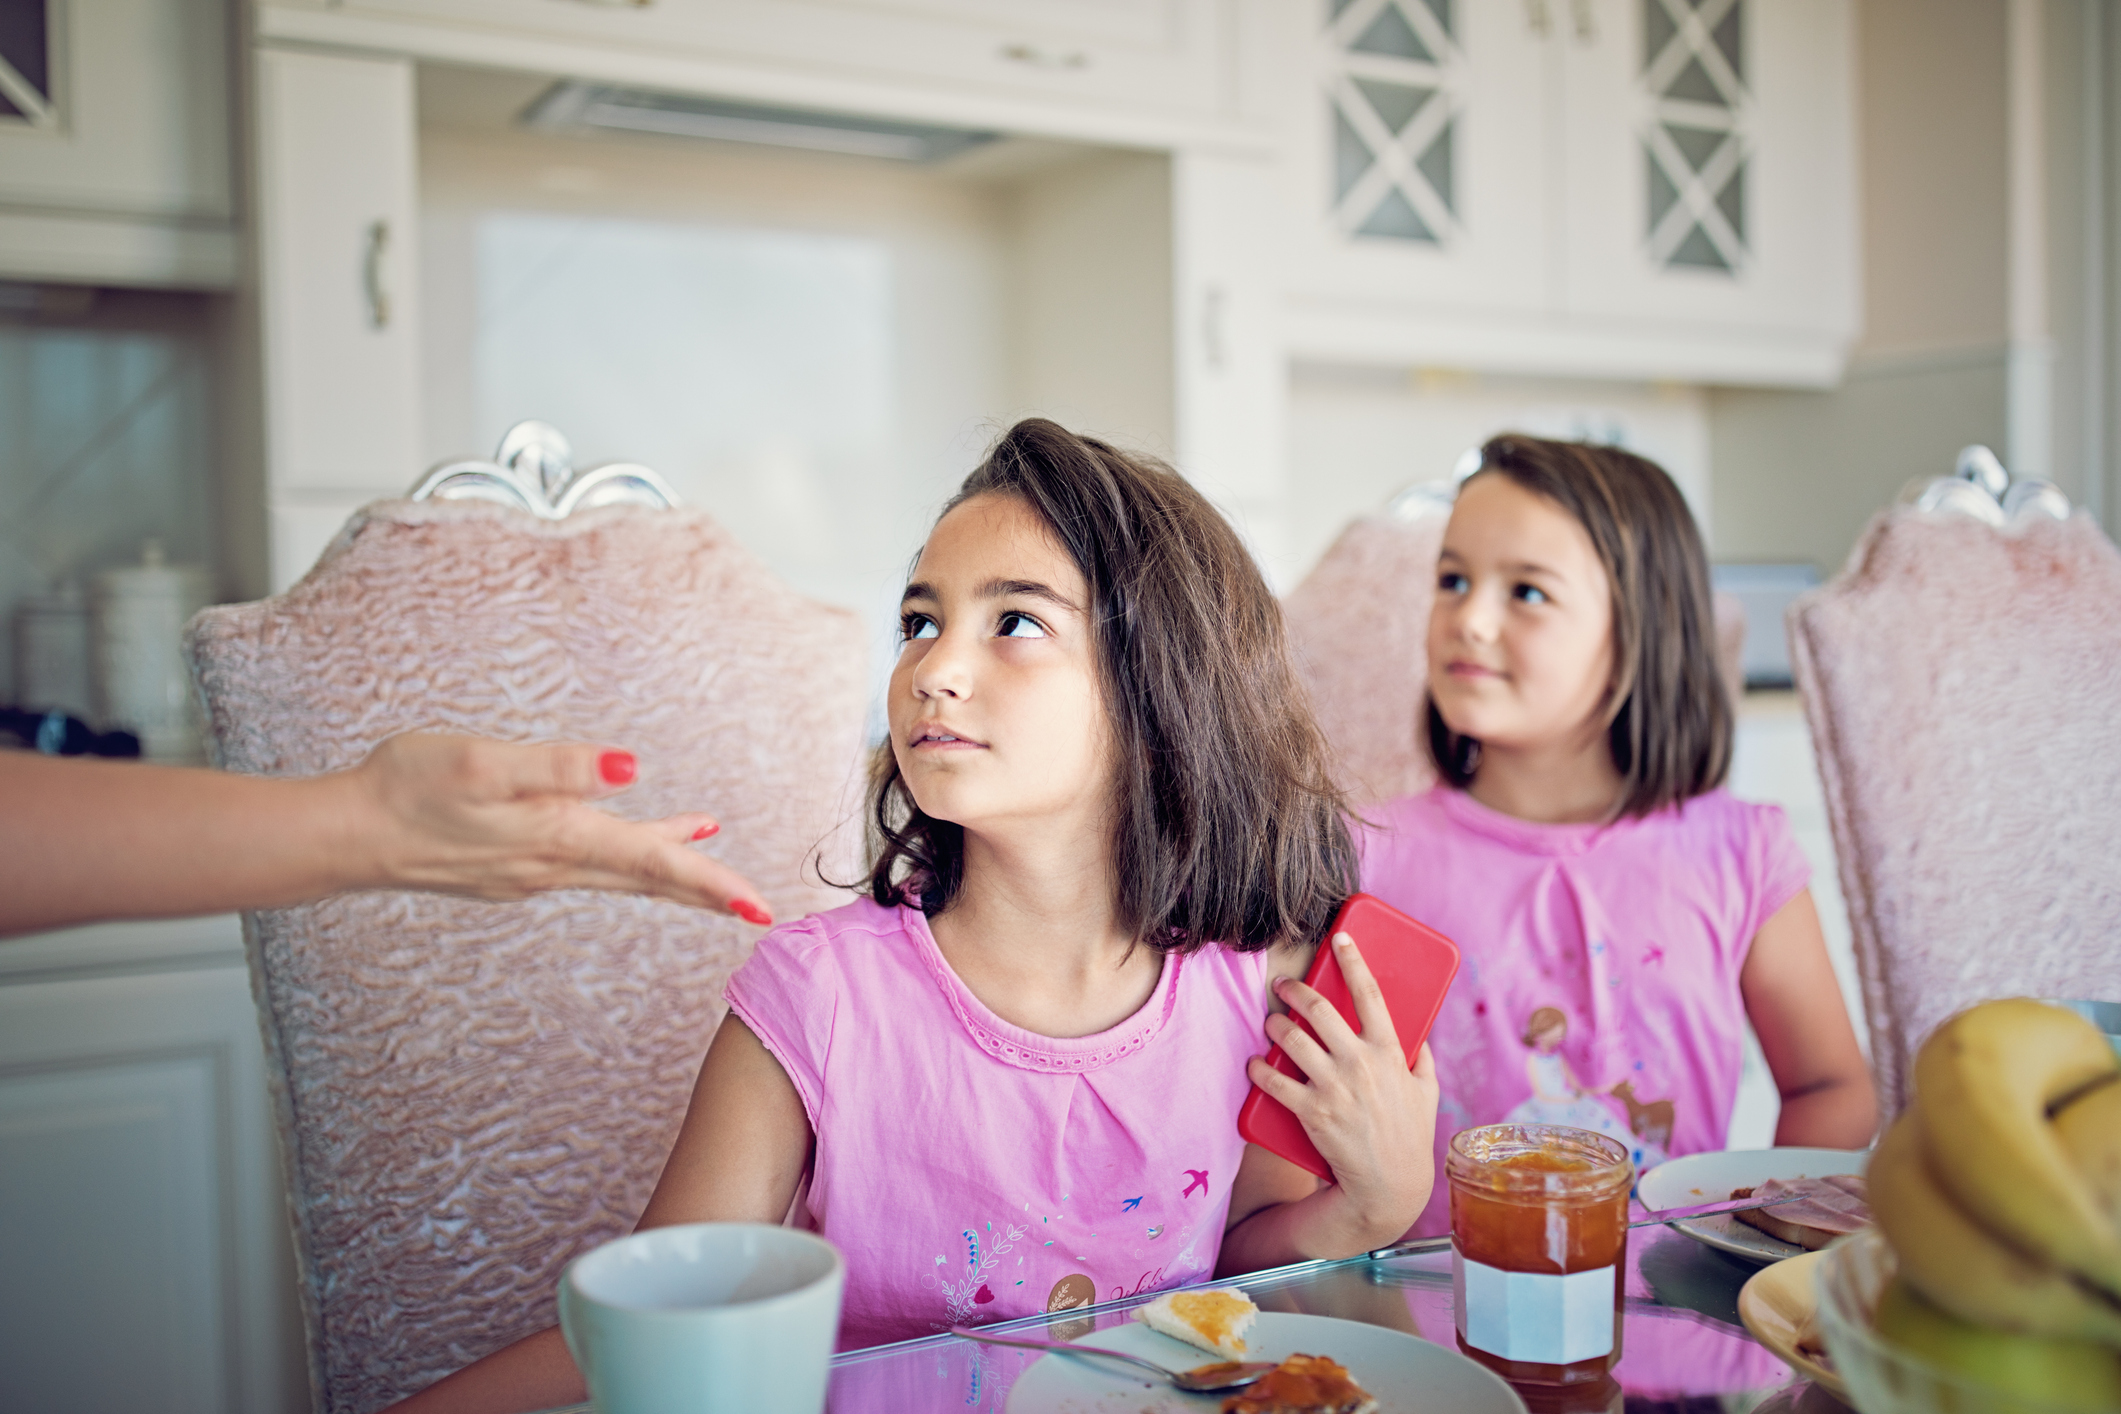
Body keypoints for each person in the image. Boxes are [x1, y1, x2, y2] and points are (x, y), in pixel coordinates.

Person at [394, 419, 1439, 1412]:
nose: (933, 669)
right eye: (920, 621)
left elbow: (1230, 1285)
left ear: (1165, 701)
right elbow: (643, 1332)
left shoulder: (1259, 992)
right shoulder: (814, 999)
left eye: (1015, 622)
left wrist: (1370, 1205)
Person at [1358, 434, 1876, 1235]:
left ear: (1639, 628)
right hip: (1444, 1324)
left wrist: (1758, 1234)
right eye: (1452, 580)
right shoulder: (1367, 856)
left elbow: (1829, 1088)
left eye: (1525, 592)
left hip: (1675, 1314)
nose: (1470, 619)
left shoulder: (1743, 854)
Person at [0, 733, 773, 937]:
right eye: (902, 625)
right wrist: (373, 823)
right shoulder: (812, 984)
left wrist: (372, 823)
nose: (905, 668)